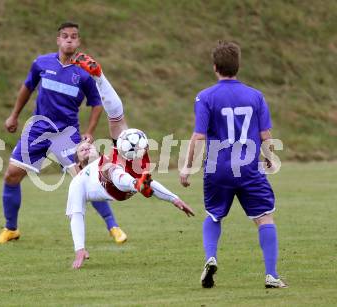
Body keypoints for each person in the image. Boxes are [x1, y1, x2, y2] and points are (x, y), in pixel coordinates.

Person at [0, 22, 127, 244]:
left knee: (85, 179)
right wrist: (14, 115)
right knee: (12, 175)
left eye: (74, 37)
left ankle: (113, 227)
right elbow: (27, 87)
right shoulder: (41, 63)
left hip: (67, 134)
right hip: (38, 129)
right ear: (58, 40)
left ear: (79, 42)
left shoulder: (84, 74)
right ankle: (11, 229)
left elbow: (96, 103)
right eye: (65, 36)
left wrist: (90, 132)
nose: (69, 40)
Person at [179, 41, 287, 288]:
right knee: (264, 218)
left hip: (217, 168)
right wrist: (270, 158)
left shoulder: (205, 96)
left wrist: (187, 167)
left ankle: (211, 258)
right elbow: (265, 135)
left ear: (215, 67)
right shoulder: (255, 96)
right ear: (238, 66)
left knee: (214, 216)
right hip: (248, 168)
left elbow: (198, 136)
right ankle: (271, 275)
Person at [68, 133, 195, 269]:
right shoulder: (77, 182)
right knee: (110, 168)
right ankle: (135, 183)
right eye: (82, 150)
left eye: (89, 147)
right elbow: (76, 215)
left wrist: (174, 199)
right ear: (78, 163)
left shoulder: (114, 157)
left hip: (126, 181)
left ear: (98, 151)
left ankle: (135, 180)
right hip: (114, 186)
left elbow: (150, 184)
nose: (86, 149)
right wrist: (79, 249)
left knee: (118, 156)